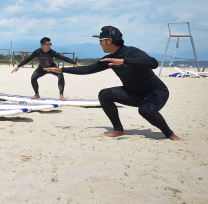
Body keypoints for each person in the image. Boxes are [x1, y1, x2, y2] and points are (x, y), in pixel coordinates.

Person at [45, 26, 182, 140]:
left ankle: (169, 134)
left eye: (101, 40)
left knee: (145, 110)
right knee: (105, 94)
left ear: (109, 40)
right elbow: (89, 69)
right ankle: (118, 129)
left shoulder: (132, 52)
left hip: (155, 92)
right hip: (133, 94)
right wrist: (62, 69)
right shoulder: (109, 58)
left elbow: (152, 63)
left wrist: (124, 61)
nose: (99, 43)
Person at [11, 37, 83, 100]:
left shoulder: (52, 52)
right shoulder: (37, 52)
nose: (49, 46)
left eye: (50, 44)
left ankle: (61, 95)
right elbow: (28, 59)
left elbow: (63, 58)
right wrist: (18, 66)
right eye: (48, 45)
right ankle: (37, 94)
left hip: (52, 68)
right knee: (33, 78)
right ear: (42, 45)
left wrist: (76, 63)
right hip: (42, 68)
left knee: (60, 75)